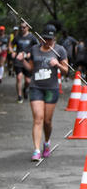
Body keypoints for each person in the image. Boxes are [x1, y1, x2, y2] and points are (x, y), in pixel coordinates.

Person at [24, 23, 68, 161]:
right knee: (38, 118)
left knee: (47, 121)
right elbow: (31, 68)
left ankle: (47, 142)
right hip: (36, 87)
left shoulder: (60, 50)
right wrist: (21, 61)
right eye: (45, 39)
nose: (47, 41)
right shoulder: (34, 49)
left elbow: (66, 71)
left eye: (50, 39)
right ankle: (36, 150)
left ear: (54, 38)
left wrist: (58, 64)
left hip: (51, 89)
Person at [10, 20, 38, 102]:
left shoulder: (32, 37)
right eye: (20, 27)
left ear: (28, 28)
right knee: (19, 77)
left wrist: (31, 53)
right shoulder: (17, 37)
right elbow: (10, 45)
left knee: (28, 81)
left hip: (28, 61)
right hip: (18, 60)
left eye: (24, 27)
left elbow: (37, 48)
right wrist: (13, 52)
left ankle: (25, 89)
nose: (22, 29)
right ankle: (19, 96)